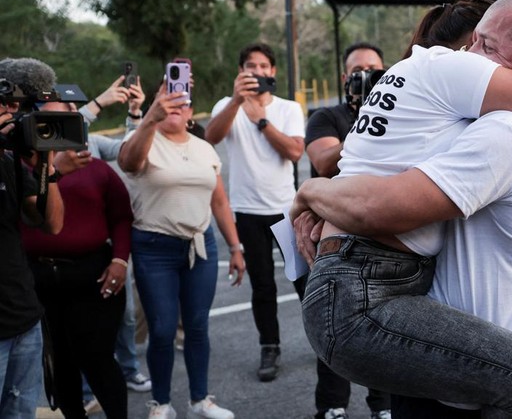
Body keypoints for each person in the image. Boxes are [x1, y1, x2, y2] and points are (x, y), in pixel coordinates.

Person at [290, 0, 512, 418]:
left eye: (486, 46)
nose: (475, 54)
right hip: (361, 290)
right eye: (473, 44)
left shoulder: (470, 109)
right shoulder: (462, 82)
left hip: (380, 286)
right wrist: (310, 193)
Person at [118, 84, 246, 419]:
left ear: (191, 114)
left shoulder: (204, 148)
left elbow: (219, 200)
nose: (176, 106)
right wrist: (148, 119)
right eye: (168, 101)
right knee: (161, 329)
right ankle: (160, 403)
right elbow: (129, 163)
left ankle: (199, 400)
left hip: (201, 246)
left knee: (197, 326)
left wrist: (235, 246)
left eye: (183, 103)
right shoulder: (144, 141)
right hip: (154, 248)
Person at [22, 97, 133, 419]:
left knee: (97, 357)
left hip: (92, 275)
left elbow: (122, 217)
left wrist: (120, 260)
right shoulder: (22, 171)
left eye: (64, 120)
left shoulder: (95, 168)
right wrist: (51, 171)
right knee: (60, 361)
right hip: (40, 279)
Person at [206, 43, 305, 382]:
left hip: (285, 210)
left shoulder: (289, 108)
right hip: (247, 211)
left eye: (264, 66)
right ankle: (270, 346)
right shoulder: (227, 105)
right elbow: (210, 137)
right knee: (262, 286)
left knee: (305, 280)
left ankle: (324, 342)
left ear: (272, 71)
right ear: (241, 71)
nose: (259, 71)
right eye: (251, 65)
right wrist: (236, 102)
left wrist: (260, 121)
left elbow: (294, 152)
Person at [304, 42, 391, 419]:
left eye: (374, 70)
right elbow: (323, 162)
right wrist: (368, 122)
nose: (366, 77)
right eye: (358, 71)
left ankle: (383, 406)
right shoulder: (326, 116)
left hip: (381, 236)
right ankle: (332, 406)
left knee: (385, 327)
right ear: (345, 78)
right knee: (333, 327)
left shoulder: (399, 112)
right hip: (331, 241)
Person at [0, 57, 65, 419]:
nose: (15, 114)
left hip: (24, 318)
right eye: (9, 105)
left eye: (21, 107)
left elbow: (50, 223)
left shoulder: (10, 161)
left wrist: (47, 166)